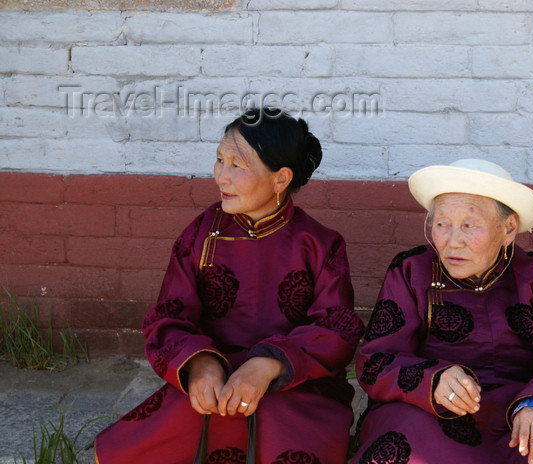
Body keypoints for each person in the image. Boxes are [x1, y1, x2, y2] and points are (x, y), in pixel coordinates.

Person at [95, 108, 364, 464]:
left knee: (280, 430)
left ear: (280, 179)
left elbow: (336, 329)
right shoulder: (202, 233)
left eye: (237, 165)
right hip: (215, 374)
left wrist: (269, 365)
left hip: (294, 381)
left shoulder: (321, 245)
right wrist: (201, 364)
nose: (221, 176)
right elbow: (169, 314)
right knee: (174, 430)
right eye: (219, 160)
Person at [350, 159, 533, 464]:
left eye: (469, 225)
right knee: (405, 437)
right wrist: (432, 380)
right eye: (442, 224)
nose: (453, 241)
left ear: (508, 228)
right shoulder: (411, 270)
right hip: (433, 412)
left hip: (521, 409)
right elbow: (376, 362)